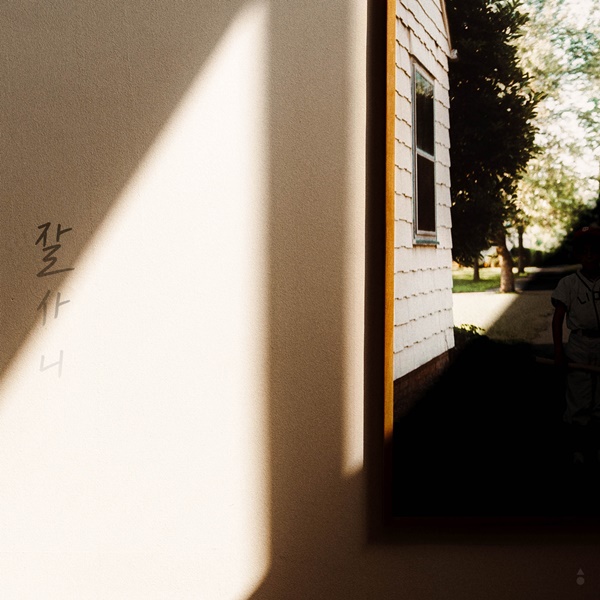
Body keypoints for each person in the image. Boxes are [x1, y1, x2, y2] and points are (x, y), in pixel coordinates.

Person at [551, 225, 600, 466]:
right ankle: (578, 450)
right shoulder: (569, 283)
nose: (590, 256)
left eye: (595, 251)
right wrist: (559, 352)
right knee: (579, 400)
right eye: (585, 251)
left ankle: (596, 447)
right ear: (579, 255)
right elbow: (558, 318)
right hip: (580, 344)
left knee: (599, 402)